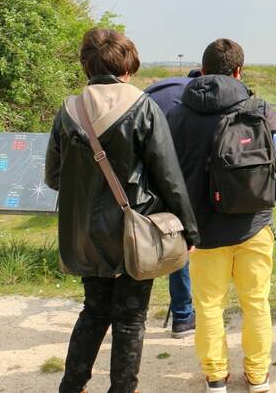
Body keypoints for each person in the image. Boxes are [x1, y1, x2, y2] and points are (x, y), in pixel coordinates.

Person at [45, 28, 198, 393]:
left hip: (84, 232)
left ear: (85, 64)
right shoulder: (142, 105)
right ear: (128, 62)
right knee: (130, 319)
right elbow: (169, 177)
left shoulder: (69, 109)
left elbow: (53, 177)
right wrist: (189, 230)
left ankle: (72, 385)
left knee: (94, 311)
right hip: (134, 231)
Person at [166, 38, 276, 393]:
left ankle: (216, 377)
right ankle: (257, 375)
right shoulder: (260, 109)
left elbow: (167, 170)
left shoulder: (178, 113)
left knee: (207, 305)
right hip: (254, 225)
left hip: (203, 231)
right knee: (256, 303)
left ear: (202, 71)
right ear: (239, 71)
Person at [145, 69, 201, 339]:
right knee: (185, 240)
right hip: (180, 174)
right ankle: (185, 315)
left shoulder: (153, 92)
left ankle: (176, 315)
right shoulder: (195, 95)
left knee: (163, 238)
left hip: (147, 177)